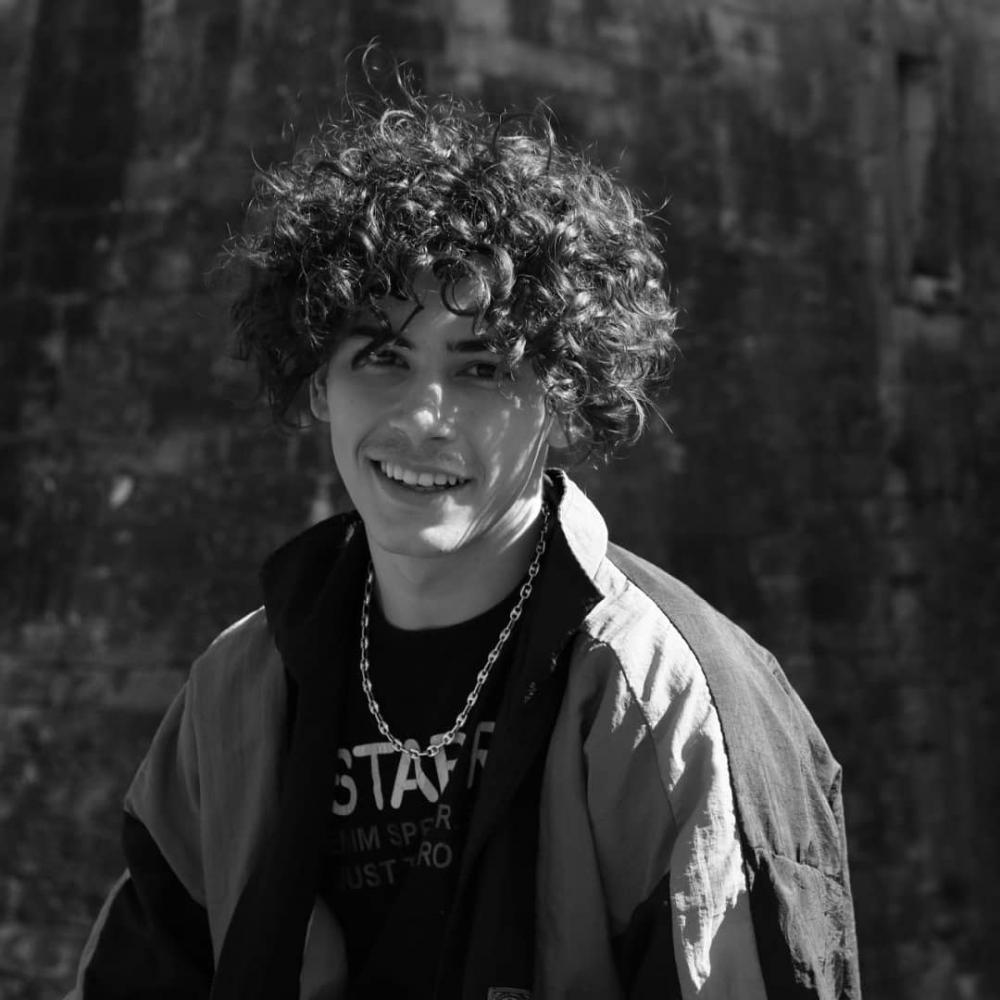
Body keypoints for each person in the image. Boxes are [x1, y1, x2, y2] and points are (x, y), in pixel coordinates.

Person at [67, 72, 861, 1000]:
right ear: (318, 381)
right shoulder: (235, 694)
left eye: (483, 367)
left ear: (563, 395)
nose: (423, 416)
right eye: (382, 356)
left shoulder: (664, 705)